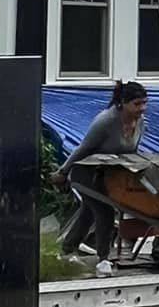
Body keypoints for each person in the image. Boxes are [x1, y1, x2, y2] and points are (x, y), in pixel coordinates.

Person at [56, 81, 150, 265]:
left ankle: (67, 250)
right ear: (123, 102)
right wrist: (63, 171)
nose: (142, 108)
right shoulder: (106, 121)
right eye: (137, 104)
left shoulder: (140, 122)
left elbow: (131, 152)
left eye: (145, 103)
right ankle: (104, 259)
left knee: (89, 212)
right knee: (104, 212)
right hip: (86, 173)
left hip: (109, 175)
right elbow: (83, 149)